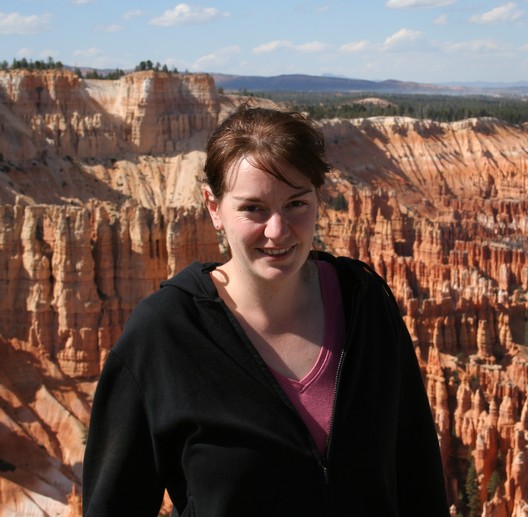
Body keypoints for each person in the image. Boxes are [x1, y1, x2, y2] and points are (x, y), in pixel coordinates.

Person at [82, 103, 449, 516]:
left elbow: (419, 478)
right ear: (213, 206)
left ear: (317, 198)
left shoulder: (366, 306)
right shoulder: (165, 334)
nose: (277, 231)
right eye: (253, 208)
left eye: (296, 203)